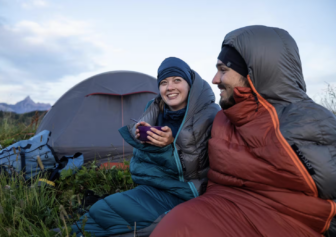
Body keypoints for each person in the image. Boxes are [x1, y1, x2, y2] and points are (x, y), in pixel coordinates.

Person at [150, 25, 336, 237]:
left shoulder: (307, 122)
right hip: (220, 207)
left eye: (223, 70)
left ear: (253, 71)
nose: (214, 79)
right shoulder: (224, 119)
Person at [71, 57, 220, 237]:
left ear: (190, 83)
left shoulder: (211, 115)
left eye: (177, 80)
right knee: (101, 210)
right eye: (164, 82)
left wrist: (172, 145)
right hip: (154, 189)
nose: (170, 87)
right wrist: (145, 142)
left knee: (138, 228)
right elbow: (140, 167)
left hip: (189, 195)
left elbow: (209, 166)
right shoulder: (154, 113)